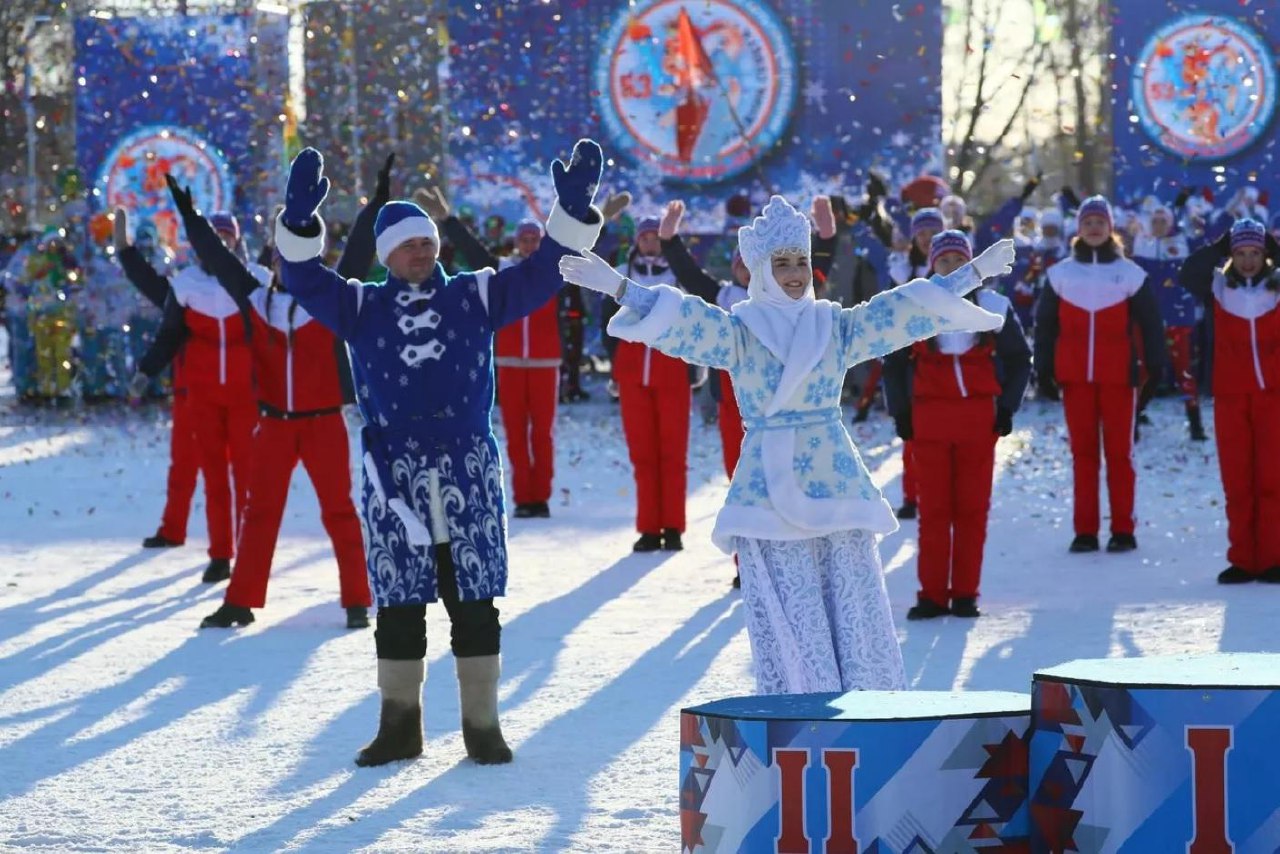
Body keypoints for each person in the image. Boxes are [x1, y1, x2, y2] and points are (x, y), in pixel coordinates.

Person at [560, 195, 1015, 694]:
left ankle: (868, 701)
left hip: (834, 478)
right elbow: (687, 323)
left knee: (853, 603)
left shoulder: (834, 324)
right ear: (759, 269)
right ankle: (800, 706)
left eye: (801, 261)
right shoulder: (738, 330)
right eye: (782, 263)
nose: (795, 273)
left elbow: (900, 312)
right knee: (790, 609)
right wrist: (622, 288)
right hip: (766, 487)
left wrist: (969, 276)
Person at [272, 141, 604, 766]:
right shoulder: (361, 304)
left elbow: (542, 274)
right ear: (387, 255)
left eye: (426, 241)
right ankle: (400, 724)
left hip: (466, 469)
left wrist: (568, 217)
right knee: (398, 603)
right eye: (407, 244)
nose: (421, 250)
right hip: (393, 474)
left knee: (474, 599)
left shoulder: (476, 294)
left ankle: (482, 724)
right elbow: (303, 278)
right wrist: (296, 227)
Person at [153, 162, 388, 630]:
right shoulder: (258, 300)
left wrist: (377, 201)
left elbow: (359, 254)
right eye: (280, 258)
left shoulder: (331, 300)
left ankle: (357, 599)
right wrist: (188, 214)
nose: (285, 265)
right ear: (274, 261)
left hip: (322, 424)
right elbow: (218, 259)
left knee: (340, 511)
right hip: (276, 425)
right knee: (259, 513)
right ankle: (241, 600)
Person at [882, 231, 1031, 620]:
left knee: (971, 509)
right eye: (944, 261)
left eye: (959, 260)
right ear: (933, 265)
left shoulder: (993, 306)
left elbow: (1019, 358)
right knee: (933, 511)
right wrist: (901, 412)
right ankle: (931, 594)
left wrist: (1007, 407)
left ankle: (965, 592)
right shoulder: (916, 305)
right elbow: (894, 364)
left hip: (978, 420)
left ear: (972, 264)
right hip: (929, 419)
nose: (952, 268)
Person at [120, 208, 259, 582]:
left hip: (247, 396)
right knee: (211, 475)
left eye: (225, 237)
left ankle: (250, 550)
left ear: (235, 240)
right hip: (202, 395)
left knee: (247, 476)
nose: (218, 245)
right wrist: (146, 371)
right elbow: (168, 334)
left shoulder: (254, 282)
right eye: (211, 238)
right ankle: (220, 553)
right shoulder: (187, 285)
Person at [1034, 196, 1166, 554]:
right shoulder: (1060, 274)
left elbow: (1152, 325)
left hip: (1118, 377)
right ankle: (1085, 531)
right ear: (1078, 229)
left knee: (1120, 455)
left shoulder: (1129, 273)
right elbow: (1045, 326)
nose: (1094, 228)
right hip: (1075, 378)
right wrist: (1042, 368)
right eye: (1088, 222)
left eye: (1100, 222)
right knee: (1084, 454)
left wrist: (1155, 366)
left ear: (1111, 228)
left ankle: (1123, 529)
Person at [1178, 219, 1280, 583]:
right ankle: (1242, 559)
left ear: (1266, 254)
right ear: (1231, 256)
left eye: (1255, 253)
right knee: (1237, 481)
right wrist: (1223, 243)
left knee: (1272, 479)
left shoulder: (1277, 288)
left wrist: (1272, 244)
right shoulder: (1218, 288)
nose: (1249, 260)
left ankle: (1271, 558)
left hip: (1273, 397)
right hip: (1230, 396)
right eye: (1240, 253)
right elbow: (1189, 271)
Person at [1133, 203, 1204, 440]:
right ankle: (1134, 419)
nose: (1159, 226)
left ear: (1171, 223)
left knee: (1183, 369)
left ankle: (1195, 423)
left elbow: (1208, 246)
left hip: (1177, 320)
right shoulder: (1142, 246)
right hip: (1148, 321)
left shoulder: (1184, 243)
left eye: (1163, 221)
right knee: (1144, 370)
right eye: (1155, 222)